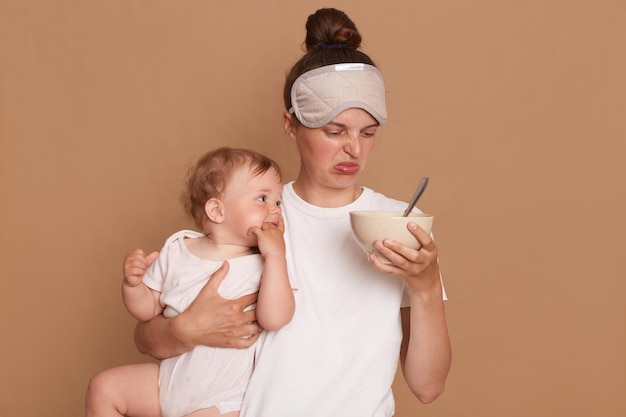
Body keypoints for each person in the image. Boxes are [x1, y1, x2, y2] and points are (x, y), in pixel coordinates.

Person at [128, 7, 451, 417]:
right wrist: (182, 329)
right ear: (290, 125)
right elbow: (148, 338)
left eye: (367, 133)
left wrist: (425, 287)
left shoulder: (402, 226)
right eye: (334, 132)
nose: (354, 149)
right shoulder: (254, 217)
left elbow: (427, 386)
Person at [85, 147, 295, 417]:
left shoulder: (264, 262)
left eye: (278, 202)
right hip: (168, 382)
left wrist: (276, 256)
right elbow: (147, 309)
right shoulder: (177, 249)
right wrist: (133, 286)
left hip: (223, 401)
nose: (275, 210)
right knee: (102, 388)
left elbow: (275, 318)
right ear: (217, 211)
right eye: (262, 198)